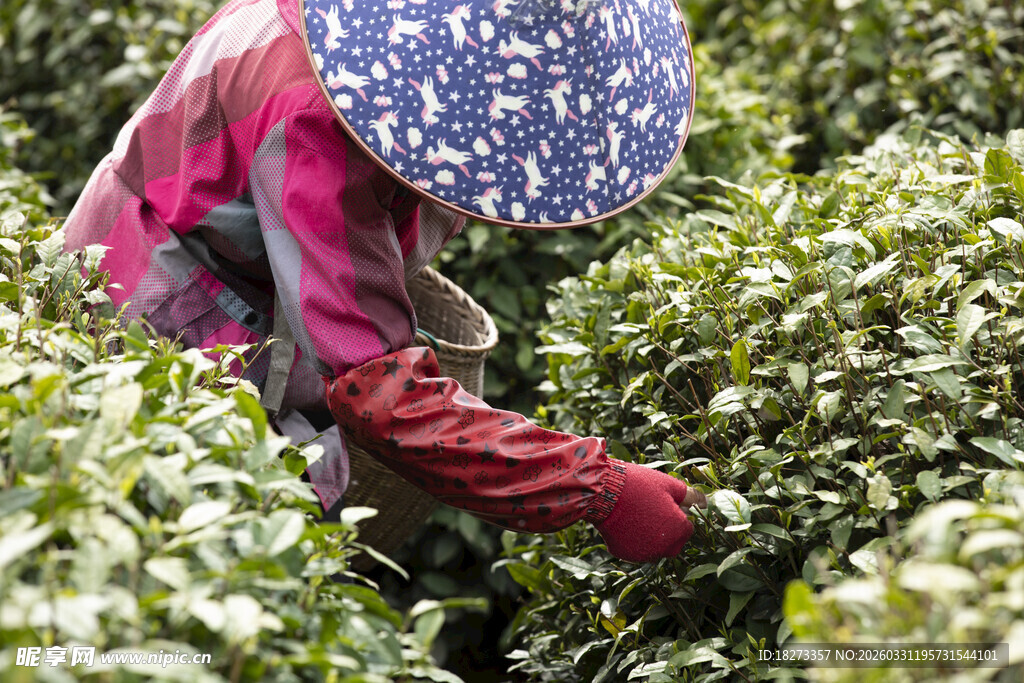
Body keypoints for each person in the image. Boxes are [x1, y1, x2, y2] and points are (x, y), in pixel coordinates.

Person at [63, 0, 704, 564]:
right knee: (207, 531)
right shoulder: (319, 119)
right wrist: (601, 488)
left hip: (215, 249)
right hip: (163, 294)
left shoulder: (366, 35)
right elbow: (381, 394)